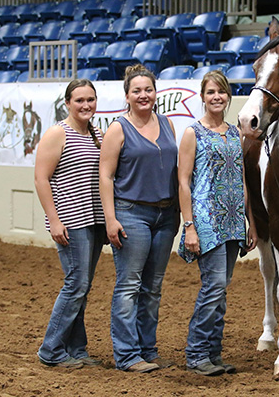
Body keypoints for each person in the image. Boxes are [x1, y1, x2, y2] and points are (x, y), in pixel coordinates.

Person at [99, 64, 179, 373]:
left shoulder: (167, 123)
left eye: (148, 90)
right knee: (129, 285)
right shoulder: (118, 128)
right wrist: (110, 219)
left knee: (153, 287)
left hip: (166, 214)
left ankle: (148, 350)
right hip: (131, 213)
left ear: (156, 93)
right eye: (137, 91)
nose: (143, 95)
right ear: (127, 96)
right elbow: (105, 176)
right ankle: (127, 355)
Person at [177, 70, 257, 376]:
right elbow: (183, 182)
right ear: (203, 96)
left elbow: (242, 179)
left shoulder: (236, 133)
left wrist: (250, 221)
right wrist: (189, 225)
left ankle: (213, 352)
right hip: (207, 219)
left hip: (234, 219)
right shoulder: (192, 133)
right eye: (211, 92)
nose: (216, 97)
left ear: (228, 96)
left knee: (221, 289)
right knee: (214, 287)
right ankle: (197, 353)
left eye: (221, 92)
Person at [35, 79, 106, 369]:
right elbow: (41, 178)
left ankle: (77, 349)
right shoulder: (57, 133)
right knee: (76, 284)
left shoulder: (97, 134)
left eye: (90, 99)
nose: (86, 105)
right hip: (70, 220)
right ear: (67, 103)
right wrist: (53, 219)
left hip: (94, 220)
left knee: (82, 286)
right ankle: (51, 349)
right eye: (79, 100)